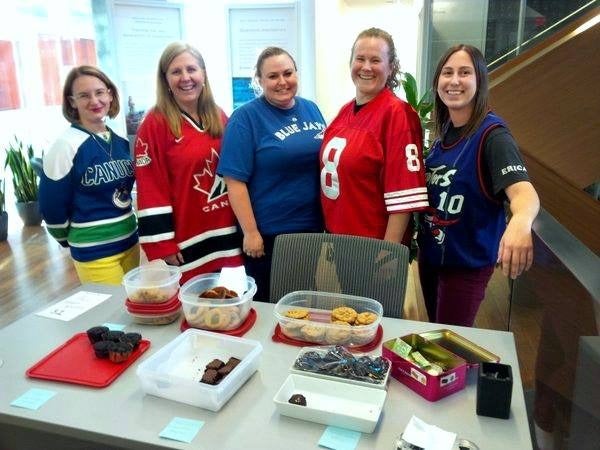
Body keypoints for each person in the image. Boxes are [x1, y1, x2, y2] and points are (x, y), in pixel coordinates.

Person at [418, 44, 540, 327]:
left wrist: (520, 223)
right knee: (438, 335)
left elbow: (523, 192)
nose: (455, 81)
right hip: (432, 259)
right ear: (437, 82)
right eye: (447, 73)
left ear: (479, 80)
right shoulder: (445, 131)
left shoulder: (493, 135)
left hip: (465, 266)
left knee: (451, 345)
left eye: (465, 72)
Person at [217, 47, 326, 301]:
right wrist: (251, 233)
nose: (282, 82)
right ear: (260, 80)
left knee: (300, 300)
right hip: (268, 235)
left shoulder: (311, 109)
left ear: (297, 73)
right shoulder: (245, 118)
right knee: (269, 303)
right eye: (272, 76)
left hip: (309, 229)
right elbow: (234, 181)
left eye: (288, 73)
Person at [134, 42, 242, 283]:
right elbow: (150, 185)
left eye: (191, 69)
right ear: (165, 80)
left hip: (228, 233)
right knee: (198, 311)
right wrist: (162, 243)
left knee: (231, 305)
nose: (185, 78)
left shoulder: (218, 114)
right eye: (176, 72)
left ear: (203, 74)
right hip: (187, 239)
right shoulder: (154, 124)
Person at [320, 27, 429, 246]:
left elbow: (403, 197)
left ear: (391, 68)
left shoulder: (398, 115)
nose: (366, 67)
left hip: (372, 244)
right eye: (360, 59)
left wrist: (388, 251)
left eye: (376, 60)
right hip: (339, 237)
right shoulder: (344, 112)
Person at [39, 65, 139, 285]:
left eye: (100, 92)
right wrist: (72, 240)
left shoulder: (120, 140)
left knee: (133, 311)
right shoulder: (65, 146)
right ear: (72, 101)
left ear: (110, 95)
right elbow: (51, 206)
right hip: (94, 250)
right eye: (84, 95)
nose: (95, 101)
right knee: (110, 315)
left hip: (130, 241)